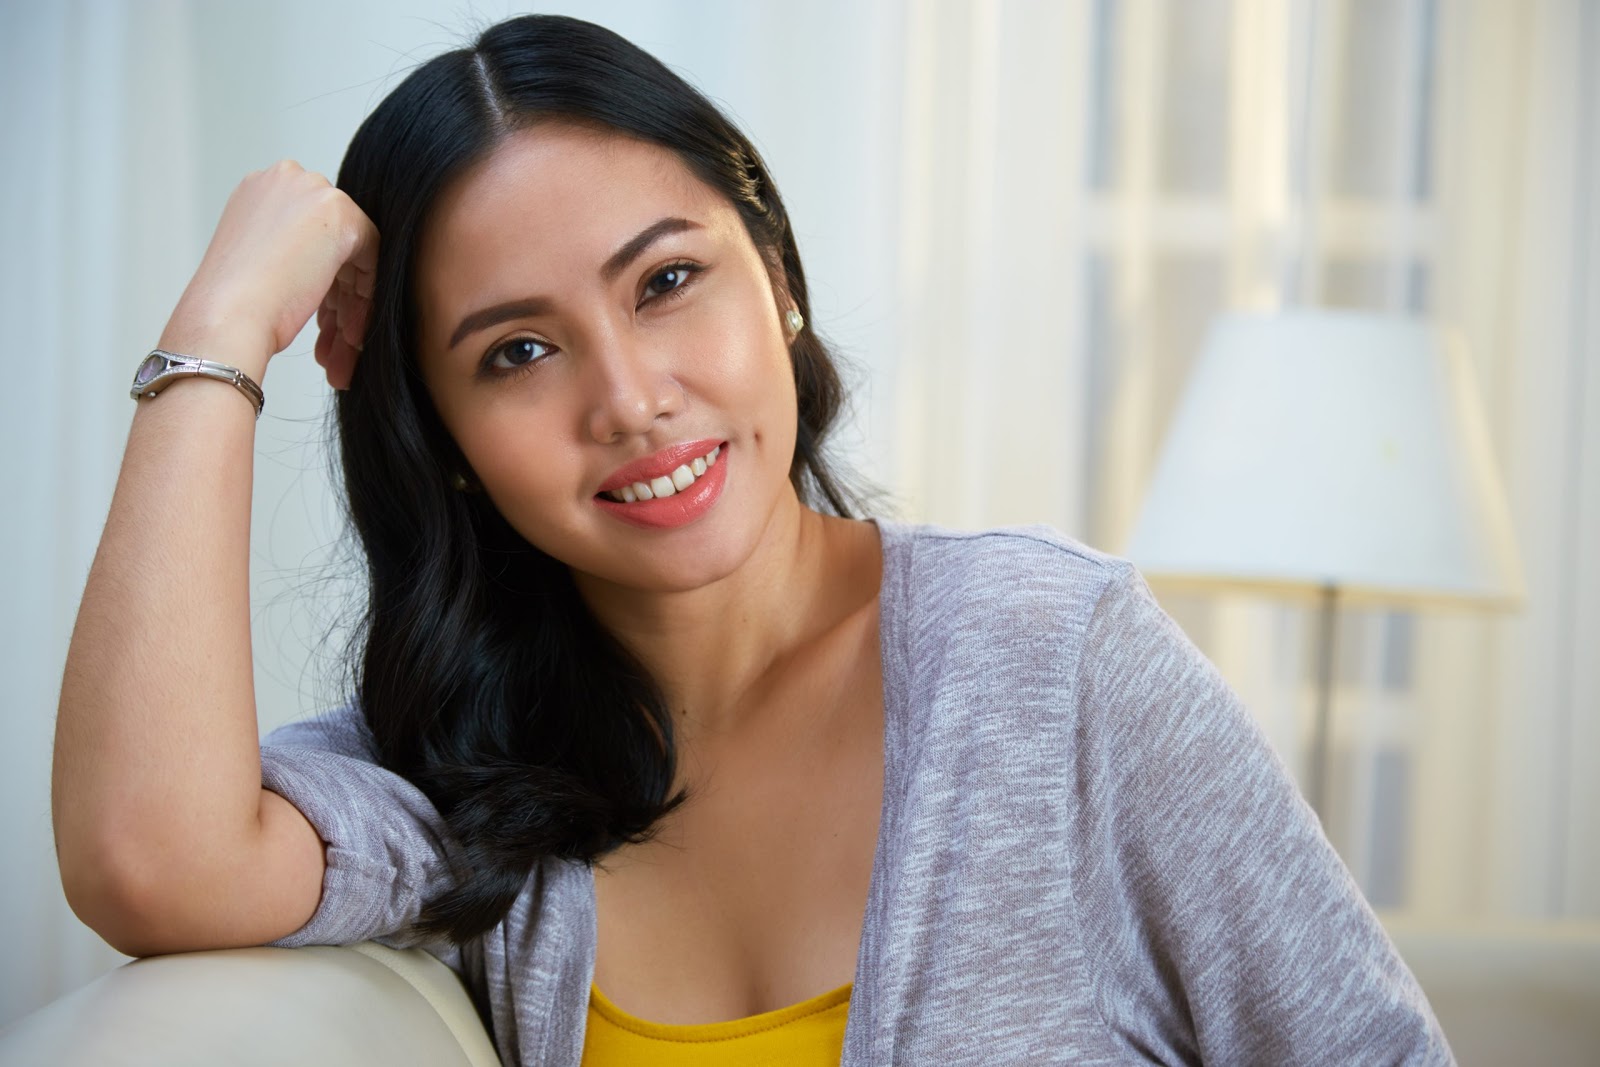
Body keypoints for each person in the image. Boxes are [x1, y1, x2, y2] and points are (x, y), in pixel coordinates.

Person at [52, 13, 1455, 1066]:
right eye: (518, 350)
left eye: (668, 281)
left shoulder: (1052, 663)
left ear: (776, 280)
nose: (631, 398)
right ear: (450, 447)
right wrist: (217, 334)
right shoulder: (457, 768)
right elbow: (148, 859)